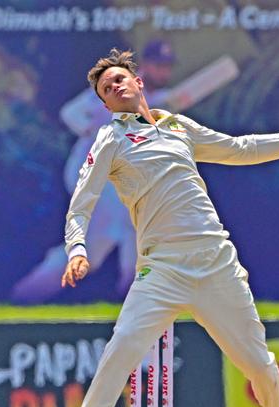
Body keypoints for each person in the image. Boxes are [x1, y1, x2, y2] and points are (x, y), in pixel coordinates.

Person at [49, 48, 279, 407]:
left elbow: (241, 148)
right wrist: (77, 249)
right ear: (105, 104)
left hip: (216, 262)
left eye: (119, 79)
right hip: (161, 269)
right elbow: (81, 204)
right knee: (121, 348)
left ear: (138, 83)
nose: (114, 86)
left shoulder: (177, 126)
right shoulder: (109, 138)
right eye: (106, 88)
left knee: (258, 364)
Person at [11, 40, 176, 304]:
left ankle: (27, 294)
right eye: (158, 66)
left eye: (166, 66)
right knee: (114, 234)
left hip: (116, 178)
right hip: (92, 175)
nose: (163, 72)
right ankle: (28, 295)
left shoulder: (157, 99)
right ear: (145, 65)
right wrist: (92, 129)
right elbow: (70, 113)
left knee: (110, 245)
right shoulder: (121, 85)